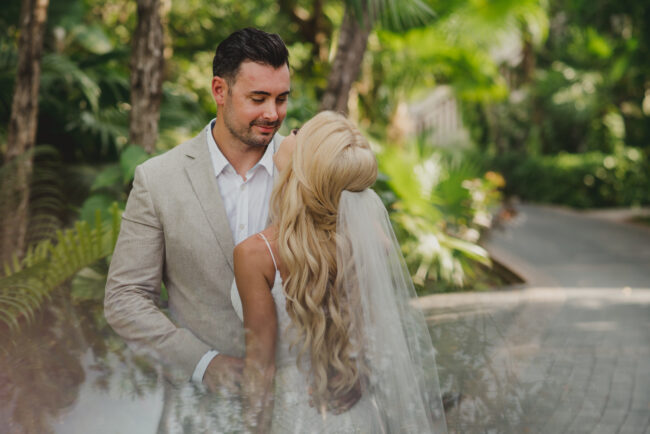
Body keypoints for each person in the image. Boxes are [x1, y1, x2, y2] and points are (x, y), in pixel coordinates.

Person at [232, 111, 448, 433]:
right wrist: (359, 374)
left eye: (297, 133)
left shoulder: (256, 255)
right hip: (356, 415)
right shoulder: (371, 241)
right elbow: (372, 332)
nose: (287, 135)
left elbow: (260, 369)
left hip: (295, 415)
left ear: (305, 167)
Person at [104, 27, 290, 392]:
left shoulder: (310, 169)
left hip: (301, 403)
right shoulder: (157, 179)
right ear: (219, 90)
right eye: (258, 98)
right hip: (198, 409)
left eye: (282, 99)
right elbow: (125, 298)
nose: (272, 113)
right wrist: (202, 363)